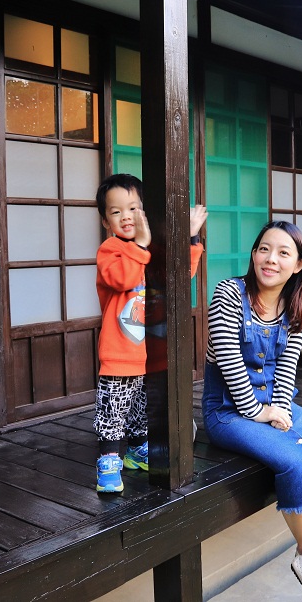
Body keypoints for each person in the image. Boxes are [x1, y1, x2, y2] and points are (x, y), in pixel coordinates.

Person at [202, 220, 302, 602]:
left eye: (283, 253)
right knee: (295, 462)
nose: (270, 259)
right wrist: (260, 412)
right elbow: (227, 359)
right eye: (263, 249)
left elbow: (287, 370)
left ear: (299, 264)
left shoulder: (298, 307)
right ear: (254, 253)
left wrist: (280, 409)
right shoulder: (228, 294)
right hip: (228, 412)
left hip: (276, 403)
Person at [93, 173, 207, 493]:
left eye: (133, 208)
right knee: (113, 410)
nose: (126, 217)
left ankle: (135, 450)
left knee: (141, 409)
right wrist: (141, 245)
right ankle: (108, 464)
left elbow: (180, 275)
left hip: (148, 352)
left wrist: (192, 239)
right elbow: (123, 280)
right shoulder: (111, 251)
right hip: (118, 353)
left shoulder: (148, 250)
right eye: (116, 212)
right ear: (106, 221)